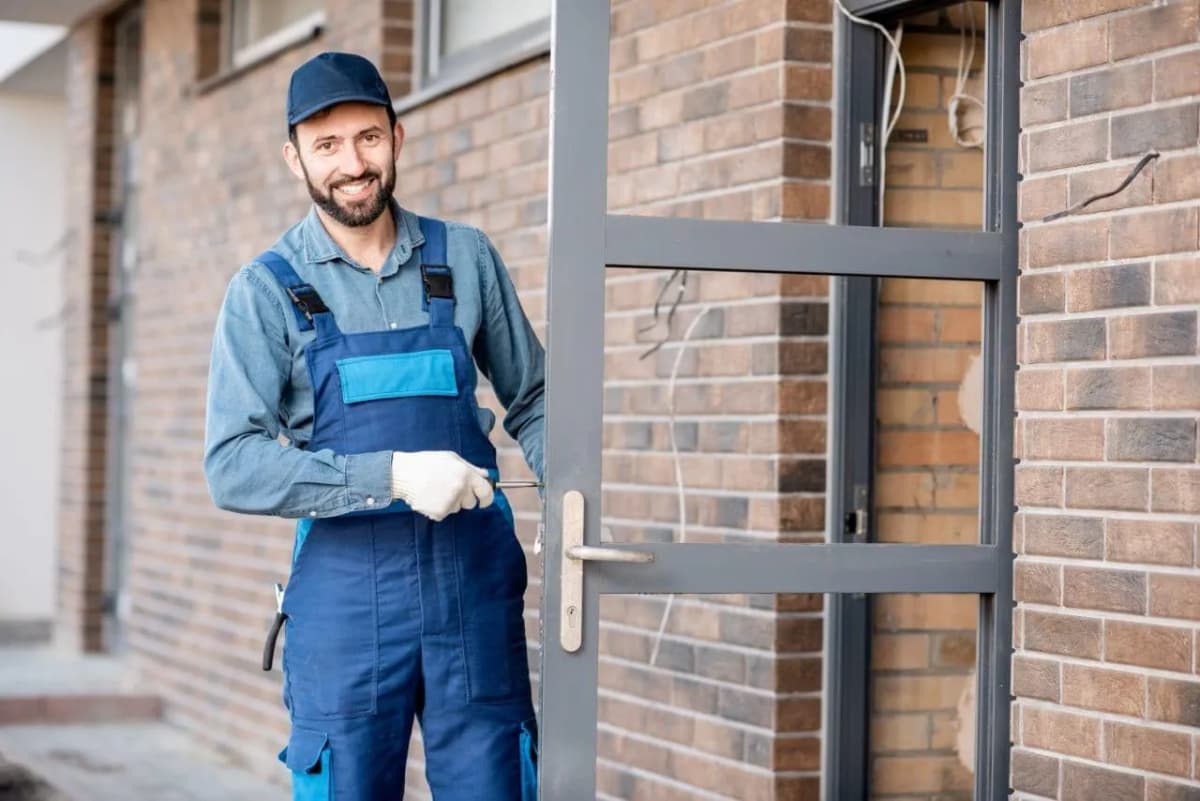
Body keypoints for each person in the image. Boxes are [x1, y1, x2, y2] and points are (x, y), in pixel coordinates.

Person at [202, 51, 544, 801]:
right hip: (347, 609)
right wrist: (391, 475)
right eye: (327, 146)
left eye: (367, 138)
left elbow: (538, 396)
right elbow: (233, 464)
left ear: (398, 136)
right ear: (295, 158)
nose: (352, 163)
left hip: (473, 595)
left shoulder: (466, 258)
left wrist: (569, 489)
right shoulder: (264, 292)